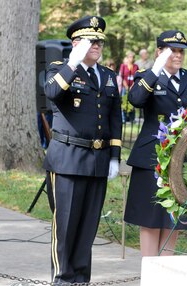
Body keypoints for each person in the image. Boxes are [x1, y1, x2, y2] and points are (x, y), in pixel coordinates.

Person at [43, 15, 122, 284]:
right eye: (90, 42)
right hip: (67, 159)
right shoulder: (60, 69)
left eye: (99, 41)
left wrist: (114, 157)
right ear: (76, 44)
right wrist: (73, 61)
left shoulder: (108, 76)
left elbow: (115, 119)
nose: (97, 46)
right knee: (66, 226)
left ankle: (80, 278)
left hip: (97, 161)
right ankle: (63, 279)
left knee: (88, 227)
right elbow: (52, 93)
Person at [124, 30, 187, 256]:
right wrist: (155, 69)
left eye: (181, 51)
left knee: (173, 217)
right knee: (150, 217)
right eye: (172, 51)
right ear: (159, 52)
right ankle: (150, 271)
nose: (178, 56)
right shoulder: (146, 76)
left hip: (183, 157)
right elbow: (135, 100)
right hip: (151, 156)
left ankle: (164, 273)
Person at [119, 51, 139, 122]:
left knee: (132, 103)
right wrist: (126, 86)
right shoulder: (123, 66)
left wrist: (132, 86)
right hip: (125, 87)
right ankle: (123, 118)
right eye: (130, 57)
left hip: (133, 87)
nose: (131, 59)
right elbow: (122, 76)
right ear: (127, 58)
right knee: (124, 102)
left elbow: (137, 77)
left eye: (133, 57)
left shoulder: (136, 66)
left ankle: (132, 119)